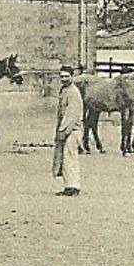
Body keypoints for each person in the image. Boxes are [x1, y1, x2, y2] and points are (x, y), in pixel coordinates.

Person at [52, 64, 84, 196]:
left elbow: (72, 115)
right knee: (66, 158)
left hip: (72, 130)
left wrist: (63, 131)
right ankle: (68, 186)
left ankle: (73, 187)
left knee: (70, 157)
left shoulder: (73, 92)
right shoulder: (64, 91)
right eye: (62, 76)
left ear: (72, 76)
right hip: (66, 129)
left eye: (66, 76)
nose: (64, 79)